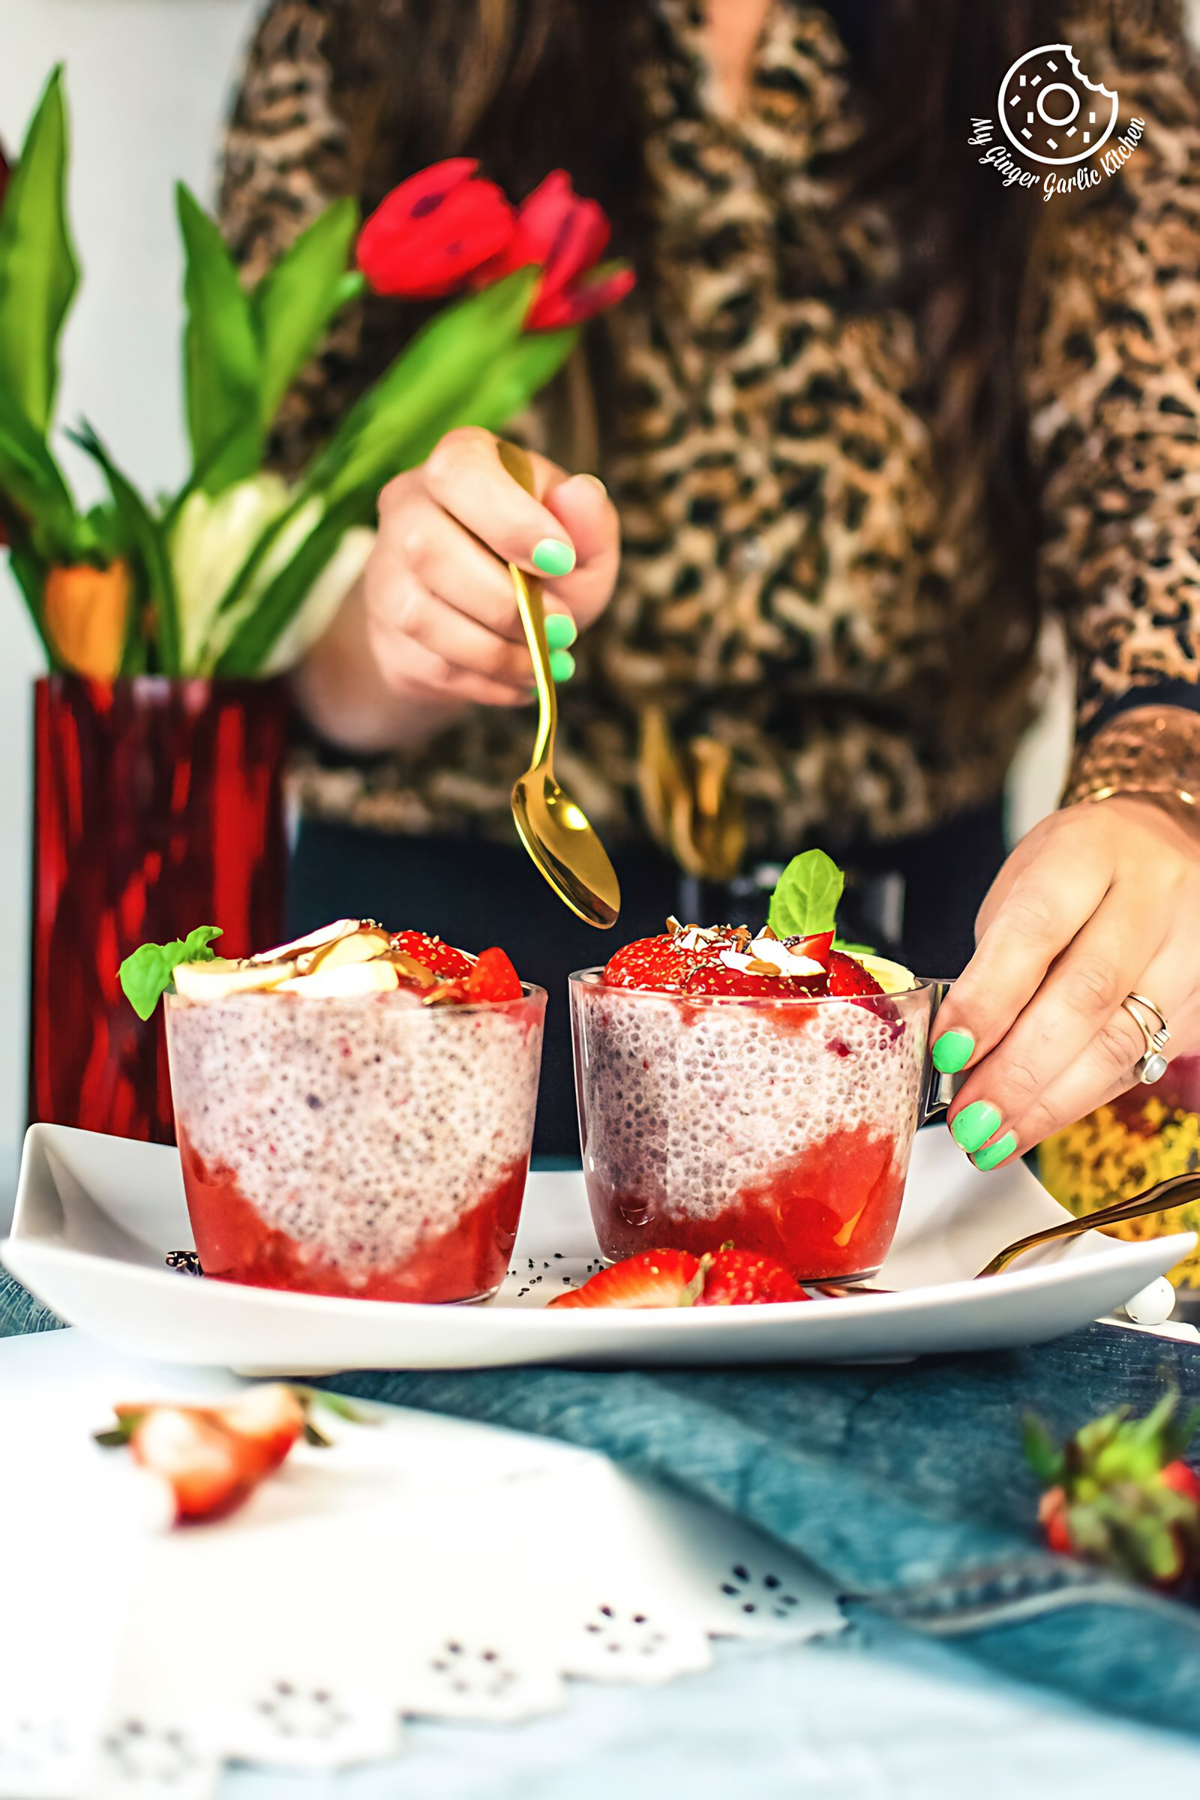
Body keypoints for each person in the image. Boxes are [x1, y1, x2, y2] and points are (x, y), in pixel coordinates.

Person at [220, 0, 1200, 1163]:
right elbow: (256, 543)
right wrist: (405, 628)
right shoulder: (368, 21)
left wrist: (1160, 776)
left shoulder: (1062, 29)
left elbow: (1153, 448)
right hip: (433, 997)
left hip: (893, 982)